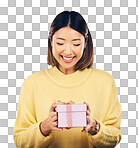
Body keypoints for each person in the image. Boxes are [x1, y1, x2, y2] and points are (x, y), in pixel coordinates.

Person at [13, 10, 122, 148]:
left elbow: (115, 136)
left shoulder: (105, 81)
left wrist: (95, 126)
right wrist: (45, 127)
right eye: (60, 43)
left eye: (76, 44)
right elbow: (20, 141)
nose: (68, 51)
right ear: (50, 40)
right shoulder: (32, 83)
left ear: (86, 42)